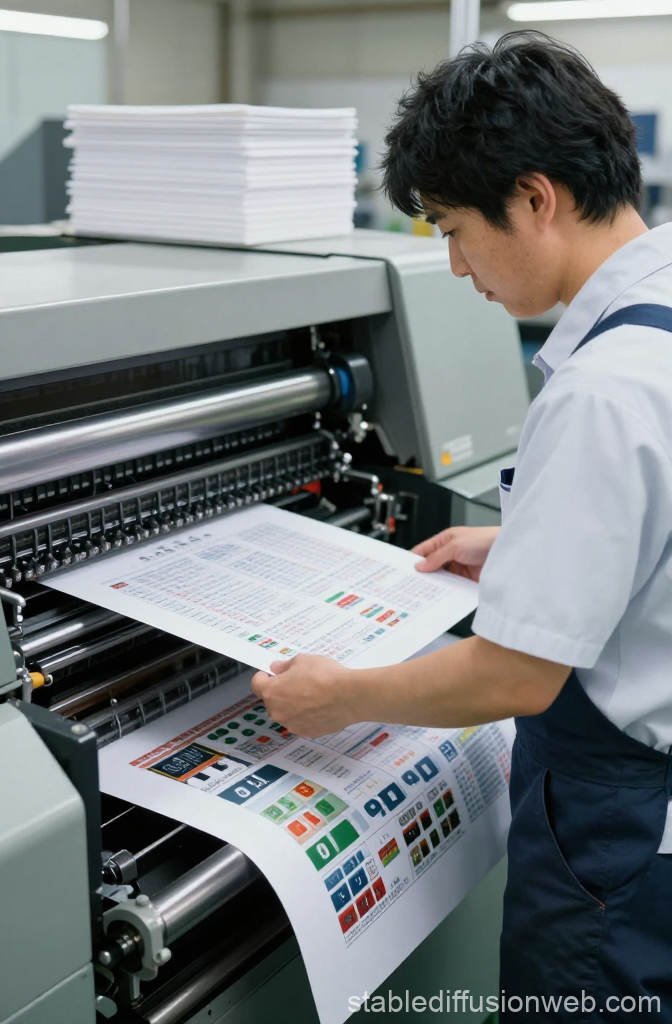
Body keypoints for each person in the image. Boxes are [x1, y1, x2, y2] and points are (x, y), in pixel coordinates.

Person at [252, 32, 672, 1021]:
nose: (451, 266)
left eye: (450, 226)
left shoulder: (603, 391)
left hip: (612, 843)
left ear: (534, 199)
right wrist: (533, 538)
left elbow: (515, 676)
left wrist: (341, 694)